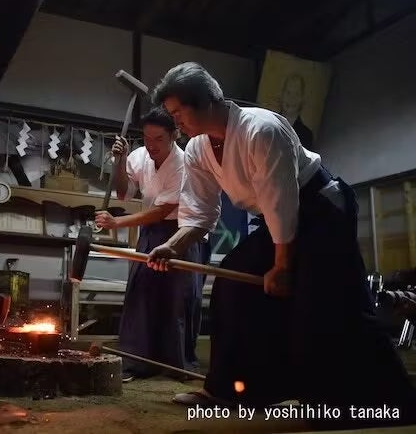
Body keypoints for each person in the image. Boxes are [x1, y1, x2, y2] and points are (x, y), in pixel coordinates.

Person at [146, 62, 416, 428]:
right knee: (233, 283)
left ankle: (385, 401)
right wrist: (173, 246)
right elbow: (199, 213)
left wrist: (282, 266)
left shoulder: (262, 128)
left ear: (207, 101)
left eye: (179, 112)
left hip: (320, 208)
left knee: (326, 301)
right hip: (279, 220)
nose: (175, 121)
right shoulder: (196, 149)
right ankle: (231, 390)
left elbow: (281, 201)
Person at [95, 107, 210, 383]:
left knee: (178, 299)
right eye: (147, 138)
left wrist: (117, 223)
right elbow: (124, 192)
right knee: (141, 294)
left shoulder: (183, 163)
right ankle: (136, 362)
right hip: (151, 233)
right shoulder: (140, 156)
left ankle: (178, 365)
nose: (151, 145)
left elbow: (161, 210)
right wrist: (121, 161)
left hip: (182, 232)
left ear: (174, 135)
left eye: (158, 139)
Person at [279, 73, 315, 150]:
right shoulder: (268, 123)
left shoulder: (306, 136)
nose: (291, 99)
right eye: (288, 92)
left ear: (302, 99)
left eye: (296, 94)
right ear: (282, 94)